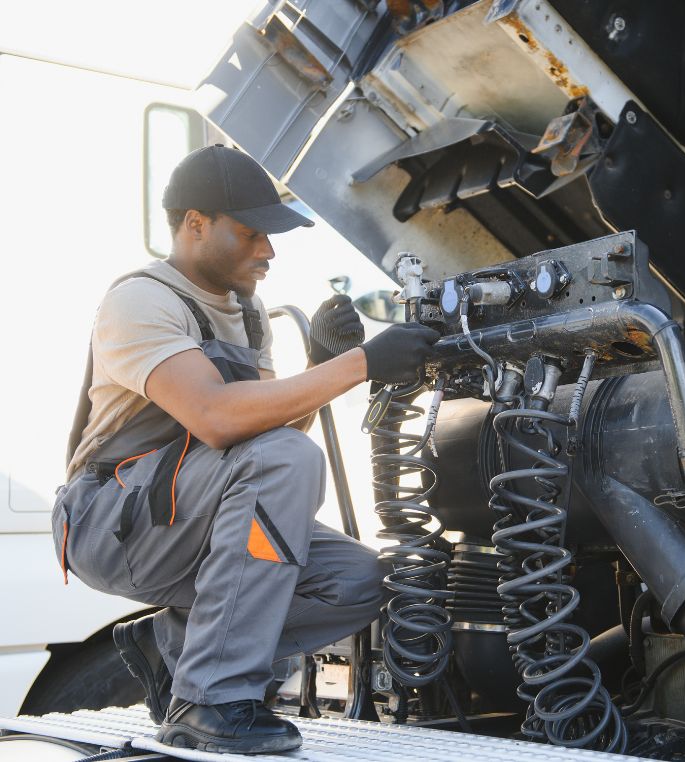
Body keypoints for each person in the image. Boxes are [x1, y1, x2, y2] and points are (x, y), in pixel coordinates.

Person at [53, 145, 440, 754]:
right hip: (110, 523)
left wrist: (320, 363)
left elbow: (269, 440)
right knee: (286, 459)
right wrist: (360, 365)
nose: (268, 251)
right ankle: (210, 701)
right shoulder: (142, 301)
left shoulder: (248, 312)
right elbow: (215, 417)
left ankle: (176, 648)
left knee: (358, 583)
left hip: (187, 515)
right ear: (195, 224)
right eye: (251, 233)